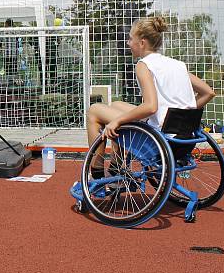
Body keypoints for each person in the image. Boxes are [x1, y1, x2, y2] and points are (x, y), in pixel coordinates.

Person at [85, 16, 215, 177]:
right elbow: (208, 92)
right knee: (117, 105)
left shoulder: (144, 65)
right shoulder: (177, 65)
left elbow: (151, 106)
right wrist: (184, 113)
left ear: (142, 43)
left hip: (158, 139)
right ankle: (115, 166)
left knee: (94, 110)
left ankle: (96, 173)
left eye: (130, 39)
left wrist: (116, 121)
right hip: (182, 138)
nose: (128, 43)